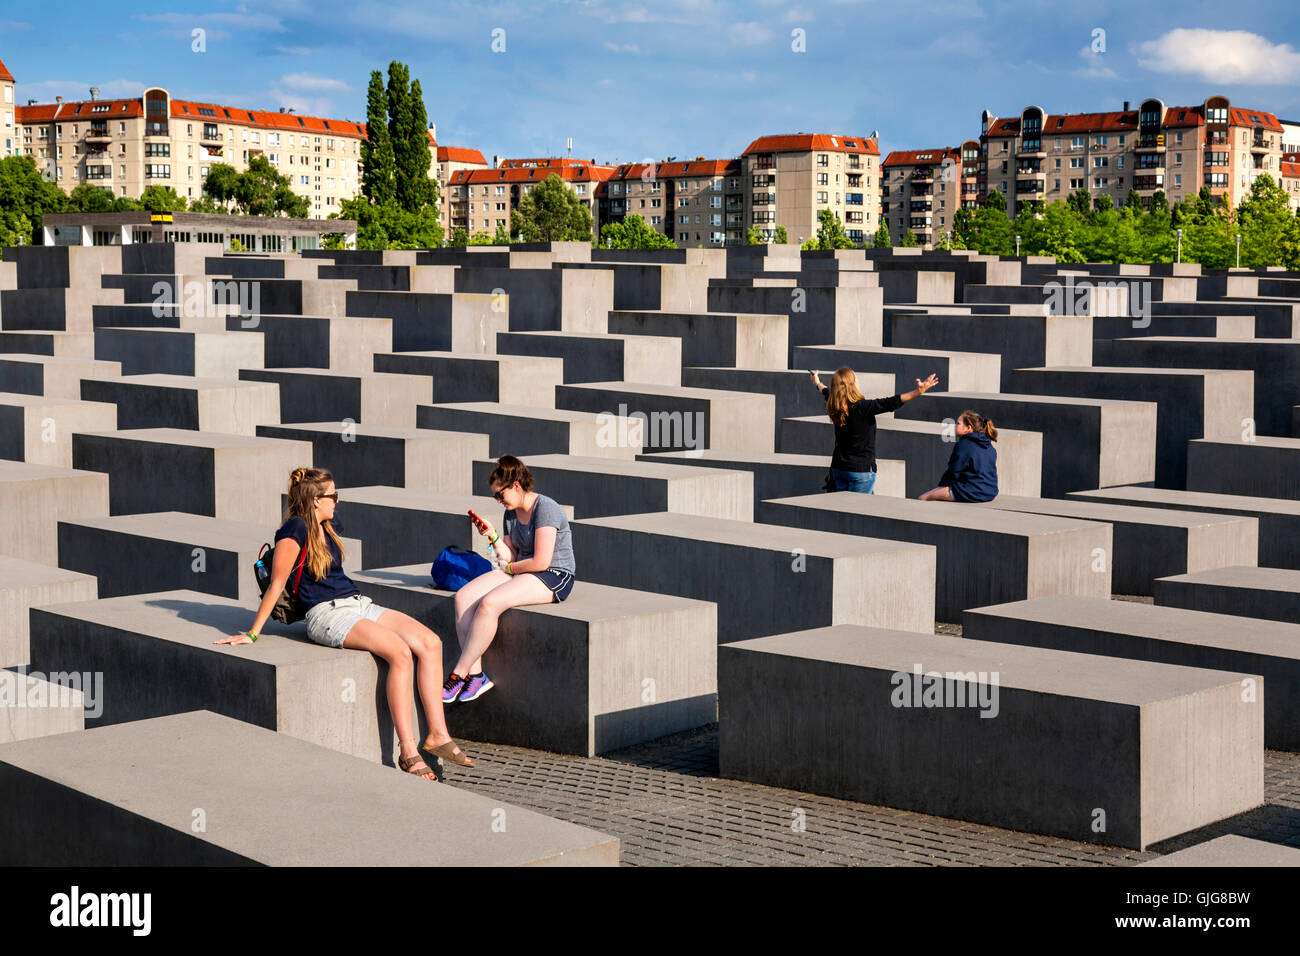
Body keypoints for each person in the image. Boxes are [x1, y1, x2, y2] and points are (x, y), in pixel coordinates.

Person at [216, 467, 473, 780]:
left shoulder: (327, 524)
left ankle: (437, 733)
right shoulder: (293, 531)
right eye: (332, 496)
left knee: (431, 642)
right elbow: (276, 583)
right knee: (400, 654)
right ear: (314, 501)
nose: (337, 501)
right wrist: (253, 634)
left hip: (357, 603)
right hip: (326, 614)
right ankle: (407, 751)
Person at [445, 455, 576, 704]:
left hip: (554, 575)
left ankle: (458, 674)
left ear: (516, 485)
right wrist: (492, 535)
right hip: (522, 570)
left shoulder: (546, 508)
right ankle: (476, 677)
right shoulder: (510, 514)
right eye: (495, 497)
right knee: (463, 598)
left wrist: (511, 568)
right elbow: (510, 555)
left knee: (490, 603)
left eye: (500, 494)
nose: (499, 500)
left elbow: (541, 562)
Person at [810, 367, 940, 492]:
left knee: (840, 510)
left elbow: (825, 391)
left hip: (839, 469)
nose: (858, 380)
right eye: (856, 378)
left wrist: (817, 381)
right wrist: (918, 392)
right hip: (860, 471)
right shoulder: (863, 407)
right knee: (856, 512)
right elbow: (890, 402)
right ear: (852, 385)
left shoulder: (835, 404)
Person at [920, 410, 999, 502]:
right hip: (990, 492)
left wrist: (941, 487)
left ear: (968, 428)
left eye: (958, 423)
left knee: (923, 498)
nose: (954, 425)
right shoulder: (988, 445)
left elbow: (953, 471)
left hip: (973, 492)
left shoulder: (964, 444)